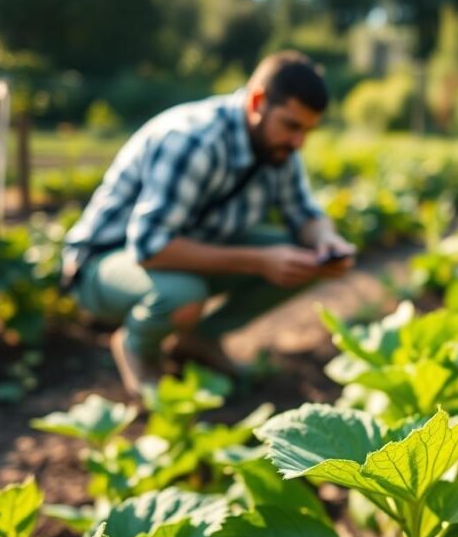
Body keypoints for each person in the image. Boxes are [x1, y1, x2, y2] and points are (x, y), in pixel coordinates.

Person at [61, 51, 355, 398]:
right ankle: (137, 350)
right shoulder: (194, 140)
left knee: (305, 255)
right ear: (258, 101)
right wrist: (260, 261)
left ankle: (199, 340)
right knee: (184, 294)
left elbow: (303, 212)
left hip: (185, 249)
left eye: (308, 130)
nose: (299, 142)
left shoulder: (278, 148)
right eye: (292, 125)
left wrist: (326, 240)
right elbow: (151, 247)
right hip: (106, 262)